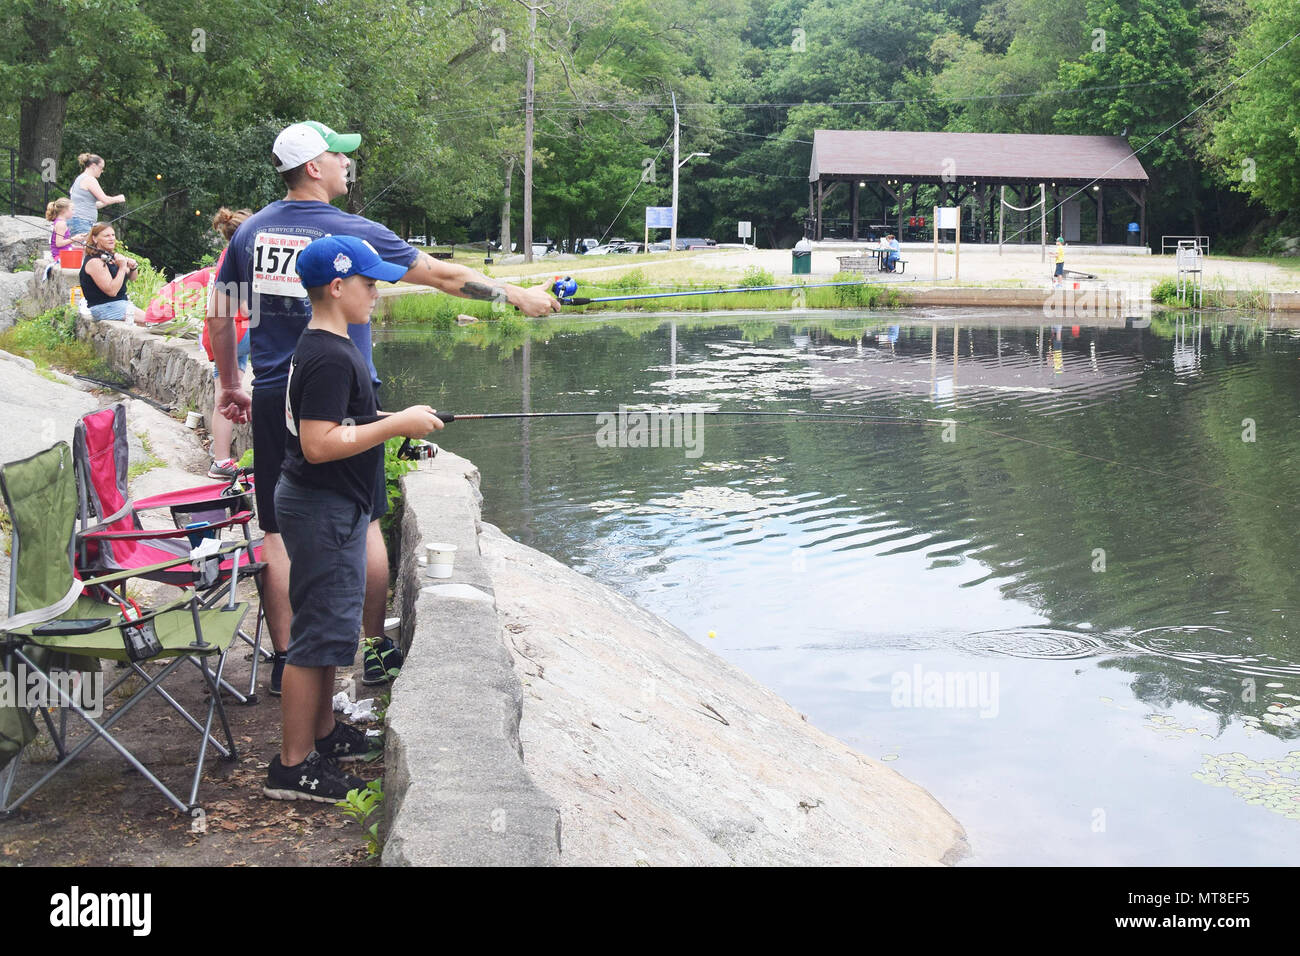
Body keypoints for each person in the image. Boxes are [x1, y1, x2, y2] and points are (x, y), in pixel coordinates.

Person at [207, 121, 559, 694]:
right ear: (314, 168)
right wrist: (516, 295)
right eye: (340, 157)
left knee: (275, 530)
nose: (350, 165)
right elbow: (444, 276)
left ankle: (287, 660)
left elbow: (222, 316)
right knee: (364, 520)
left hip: (275, 394)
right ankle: (372, 653)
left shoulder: (249, 235)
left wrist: (230, 383)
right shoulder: (355, 233)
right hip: (346, 394)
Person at [264, 235, 443, 801]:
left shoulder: (327, 345)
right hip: (321, 508)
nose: (377, 294)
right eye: (369, 285)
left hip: (327, 506)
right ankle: (293, 767)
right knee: (316, 637)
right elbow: (318, 442)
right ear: (337, 288)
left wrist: (399, 416)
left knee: (330, 630)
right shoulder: (328, 354)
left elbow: (339, 416)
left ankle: (323, 735)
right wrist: (394, 427)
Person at [204, 207, 254, 480]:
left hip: (225, 335)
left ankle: (221, 460)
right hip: (239, 331)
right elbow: (245, 308)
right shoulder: (242, 256)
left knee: (224, 397)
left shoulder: (226, 255)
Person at [79, 223, 146, 323]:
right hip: (104, 307)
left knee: (154, 322)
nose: (111, 238)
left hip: (121, 304)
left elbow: (133, 279)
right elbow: (112, 291)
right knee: (152, 320)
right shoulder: (94, 262)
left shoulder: (112, 256)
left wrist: (132, 267)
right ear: (95, 238)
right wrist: (122, 267)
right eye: (107, 236)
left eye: (113, 235)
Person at [68, 153, 125, 238]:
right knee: (83, 250)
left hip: (77, 221)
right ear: (94, 166)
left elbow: (95, 205)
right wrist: (118, 198)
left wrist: (109, 201)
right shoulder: (89, 179)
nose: (102, 171)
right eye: (101, 168)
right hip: (82, 222)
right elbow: (105, 199)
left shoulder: (80, 178)